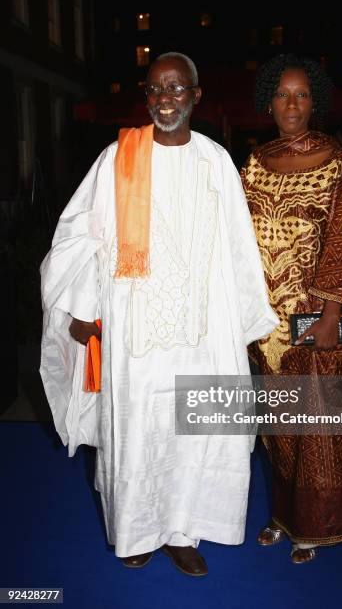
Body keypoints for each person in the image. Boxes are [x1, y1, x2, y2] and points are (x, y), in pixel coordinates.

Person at [40, 52, 278, 575]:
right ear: (146, 98)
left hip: (200, 326)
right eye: (155, 89)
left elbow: (239, 245)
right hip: (132, 328)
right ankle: (136, 529)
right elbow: (81, 235)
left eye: (175, 88)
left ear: (196, 96)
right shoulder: (117, 158)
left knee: (191, 431)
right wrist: (82, 310)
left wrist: (241, 324)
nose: (164, 98)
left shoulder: (215, 161)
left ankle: (182, 532)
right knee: (139, 426)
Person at [241, 54, 342, 564]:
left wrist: (332, 314)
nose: (292, 103)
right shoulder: (254, 163)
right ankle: (282, 516)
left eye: (302, 95)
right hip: (265, 320)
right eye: (283, 94)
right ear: (269, 102)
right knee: (280, 428)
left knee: (321, 428)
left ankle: (317, 527)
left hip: (315, 317)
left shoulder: (338, 162)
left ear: (317, 103)